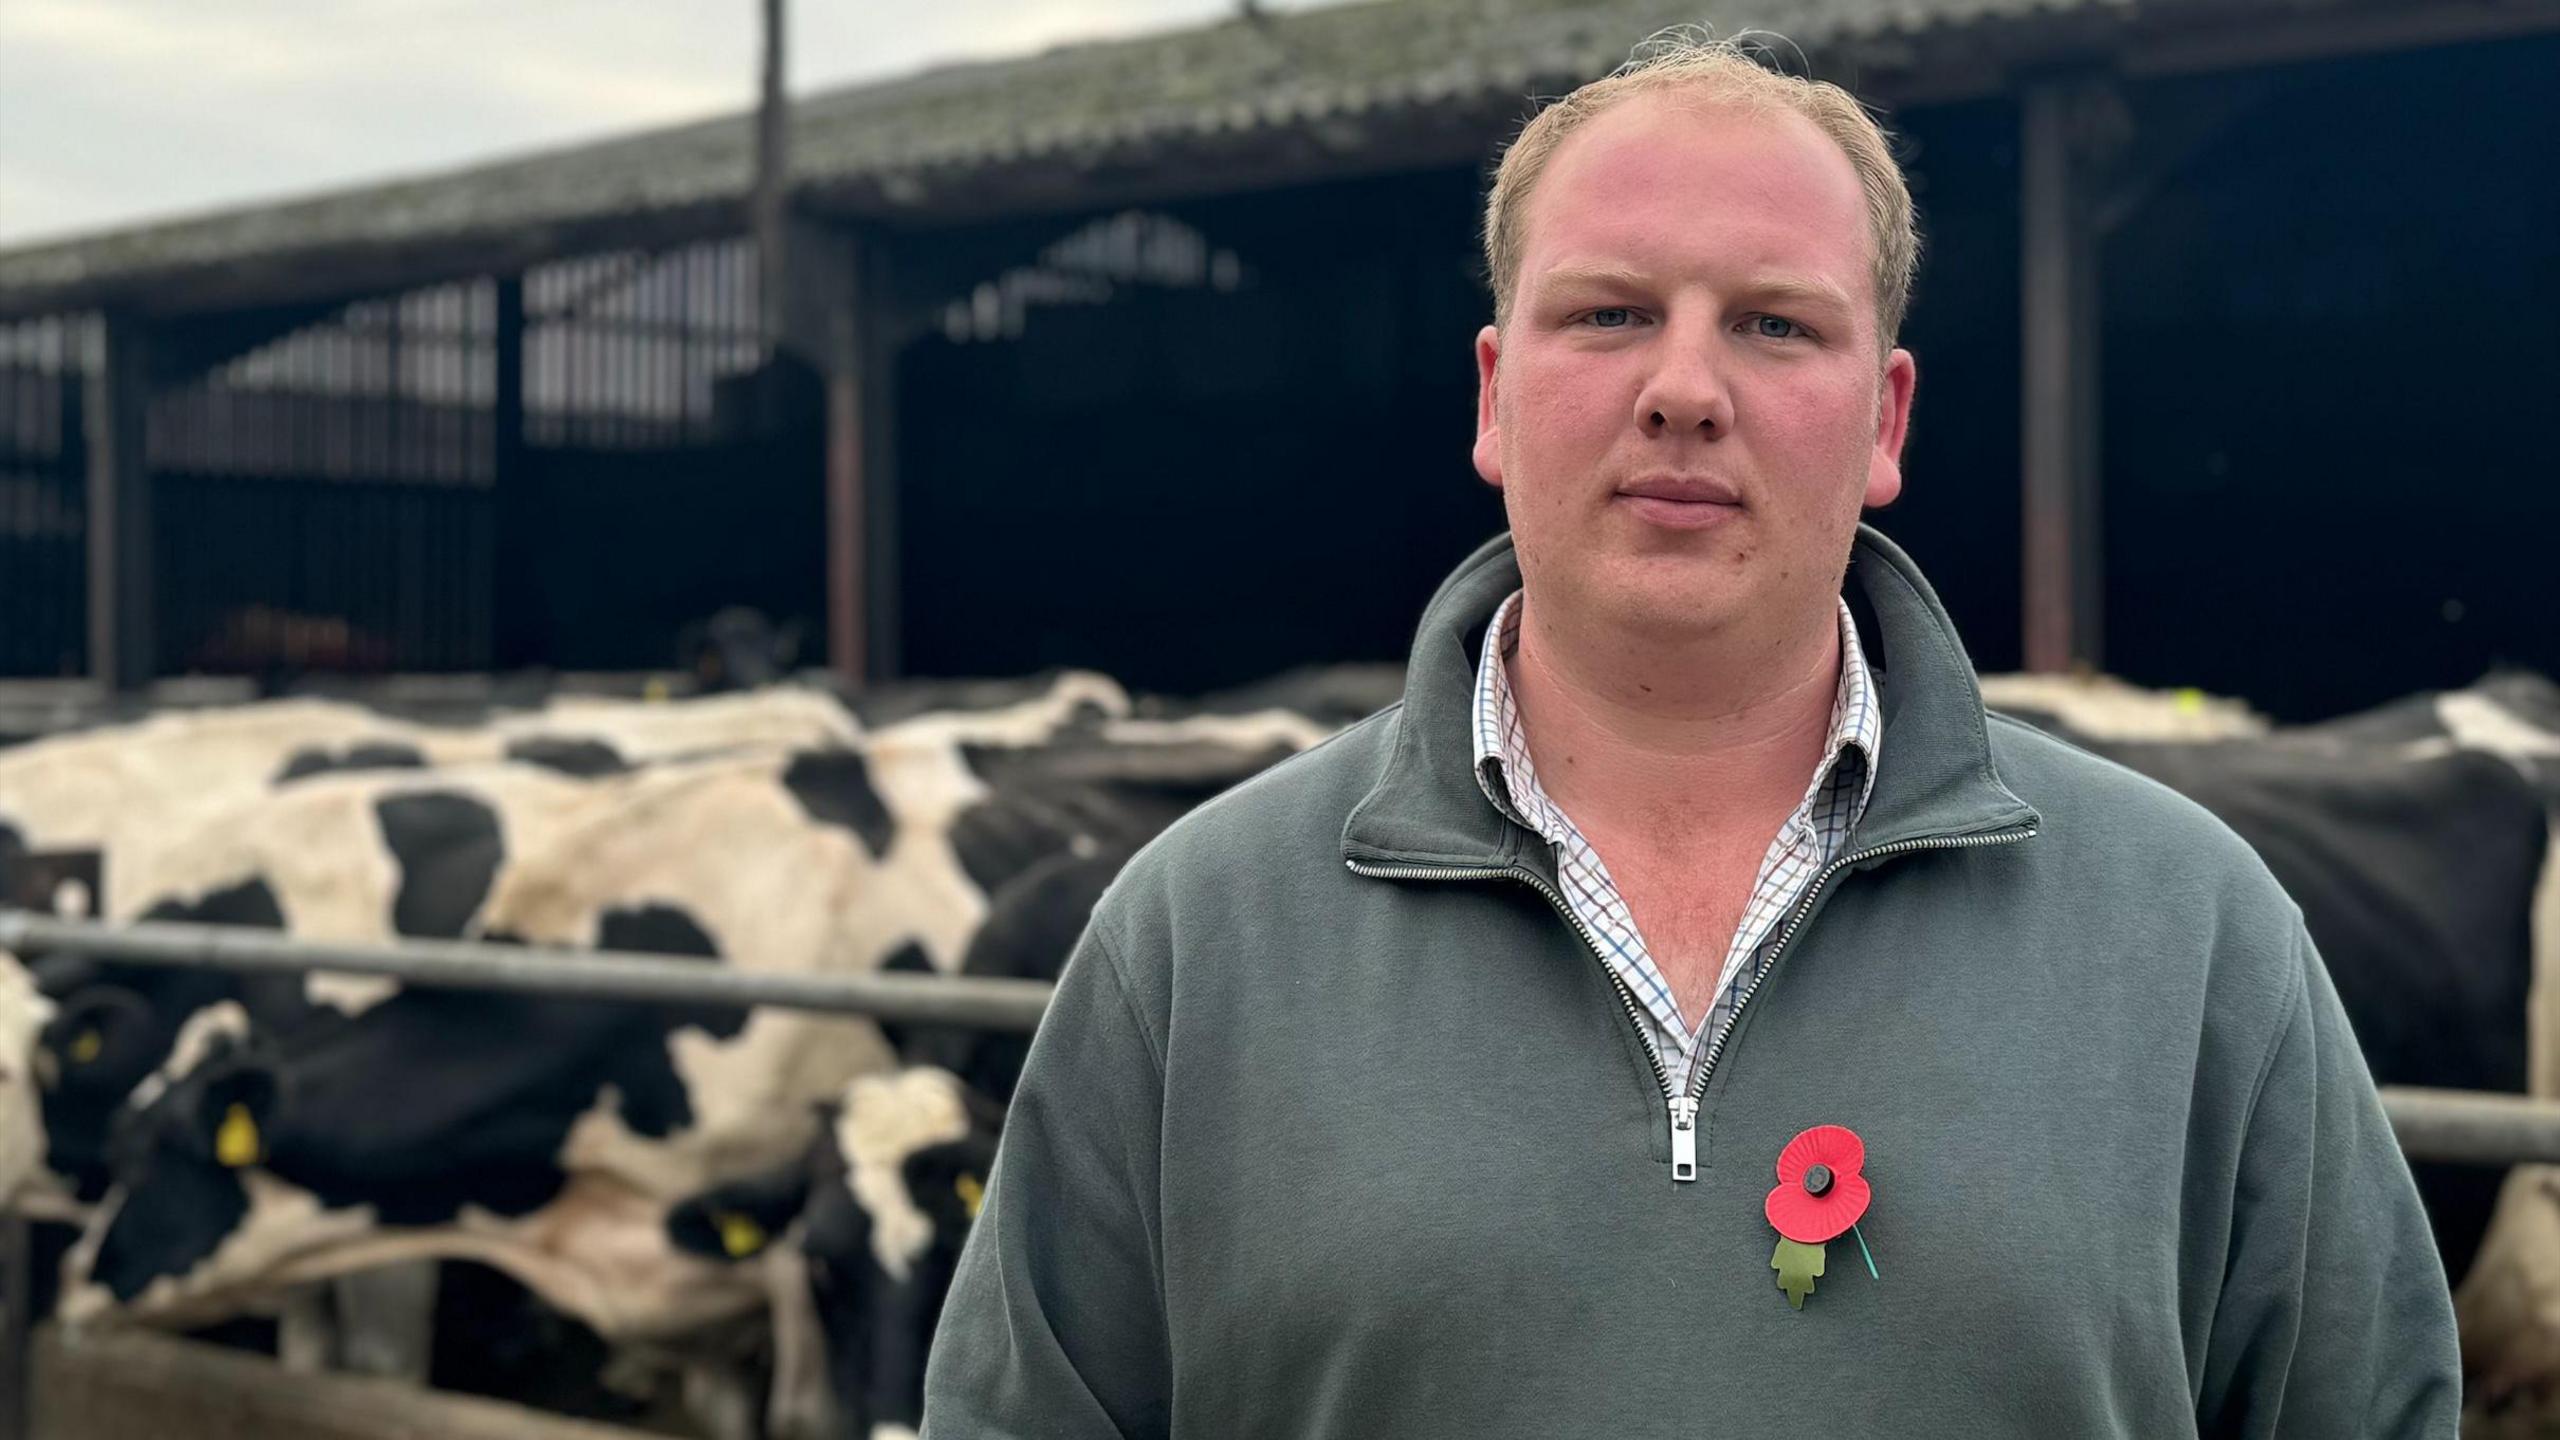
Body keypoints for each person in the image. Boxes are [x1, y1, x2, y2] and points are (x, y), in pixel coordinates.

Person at [921, 32, 2459, 1438]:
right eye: (1609, 313)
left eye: (1777, 326)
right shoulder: (1192, 945)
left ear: (1886, 423)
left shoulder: (2195, 938)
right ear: (1494, 394)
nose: (1683, 389)